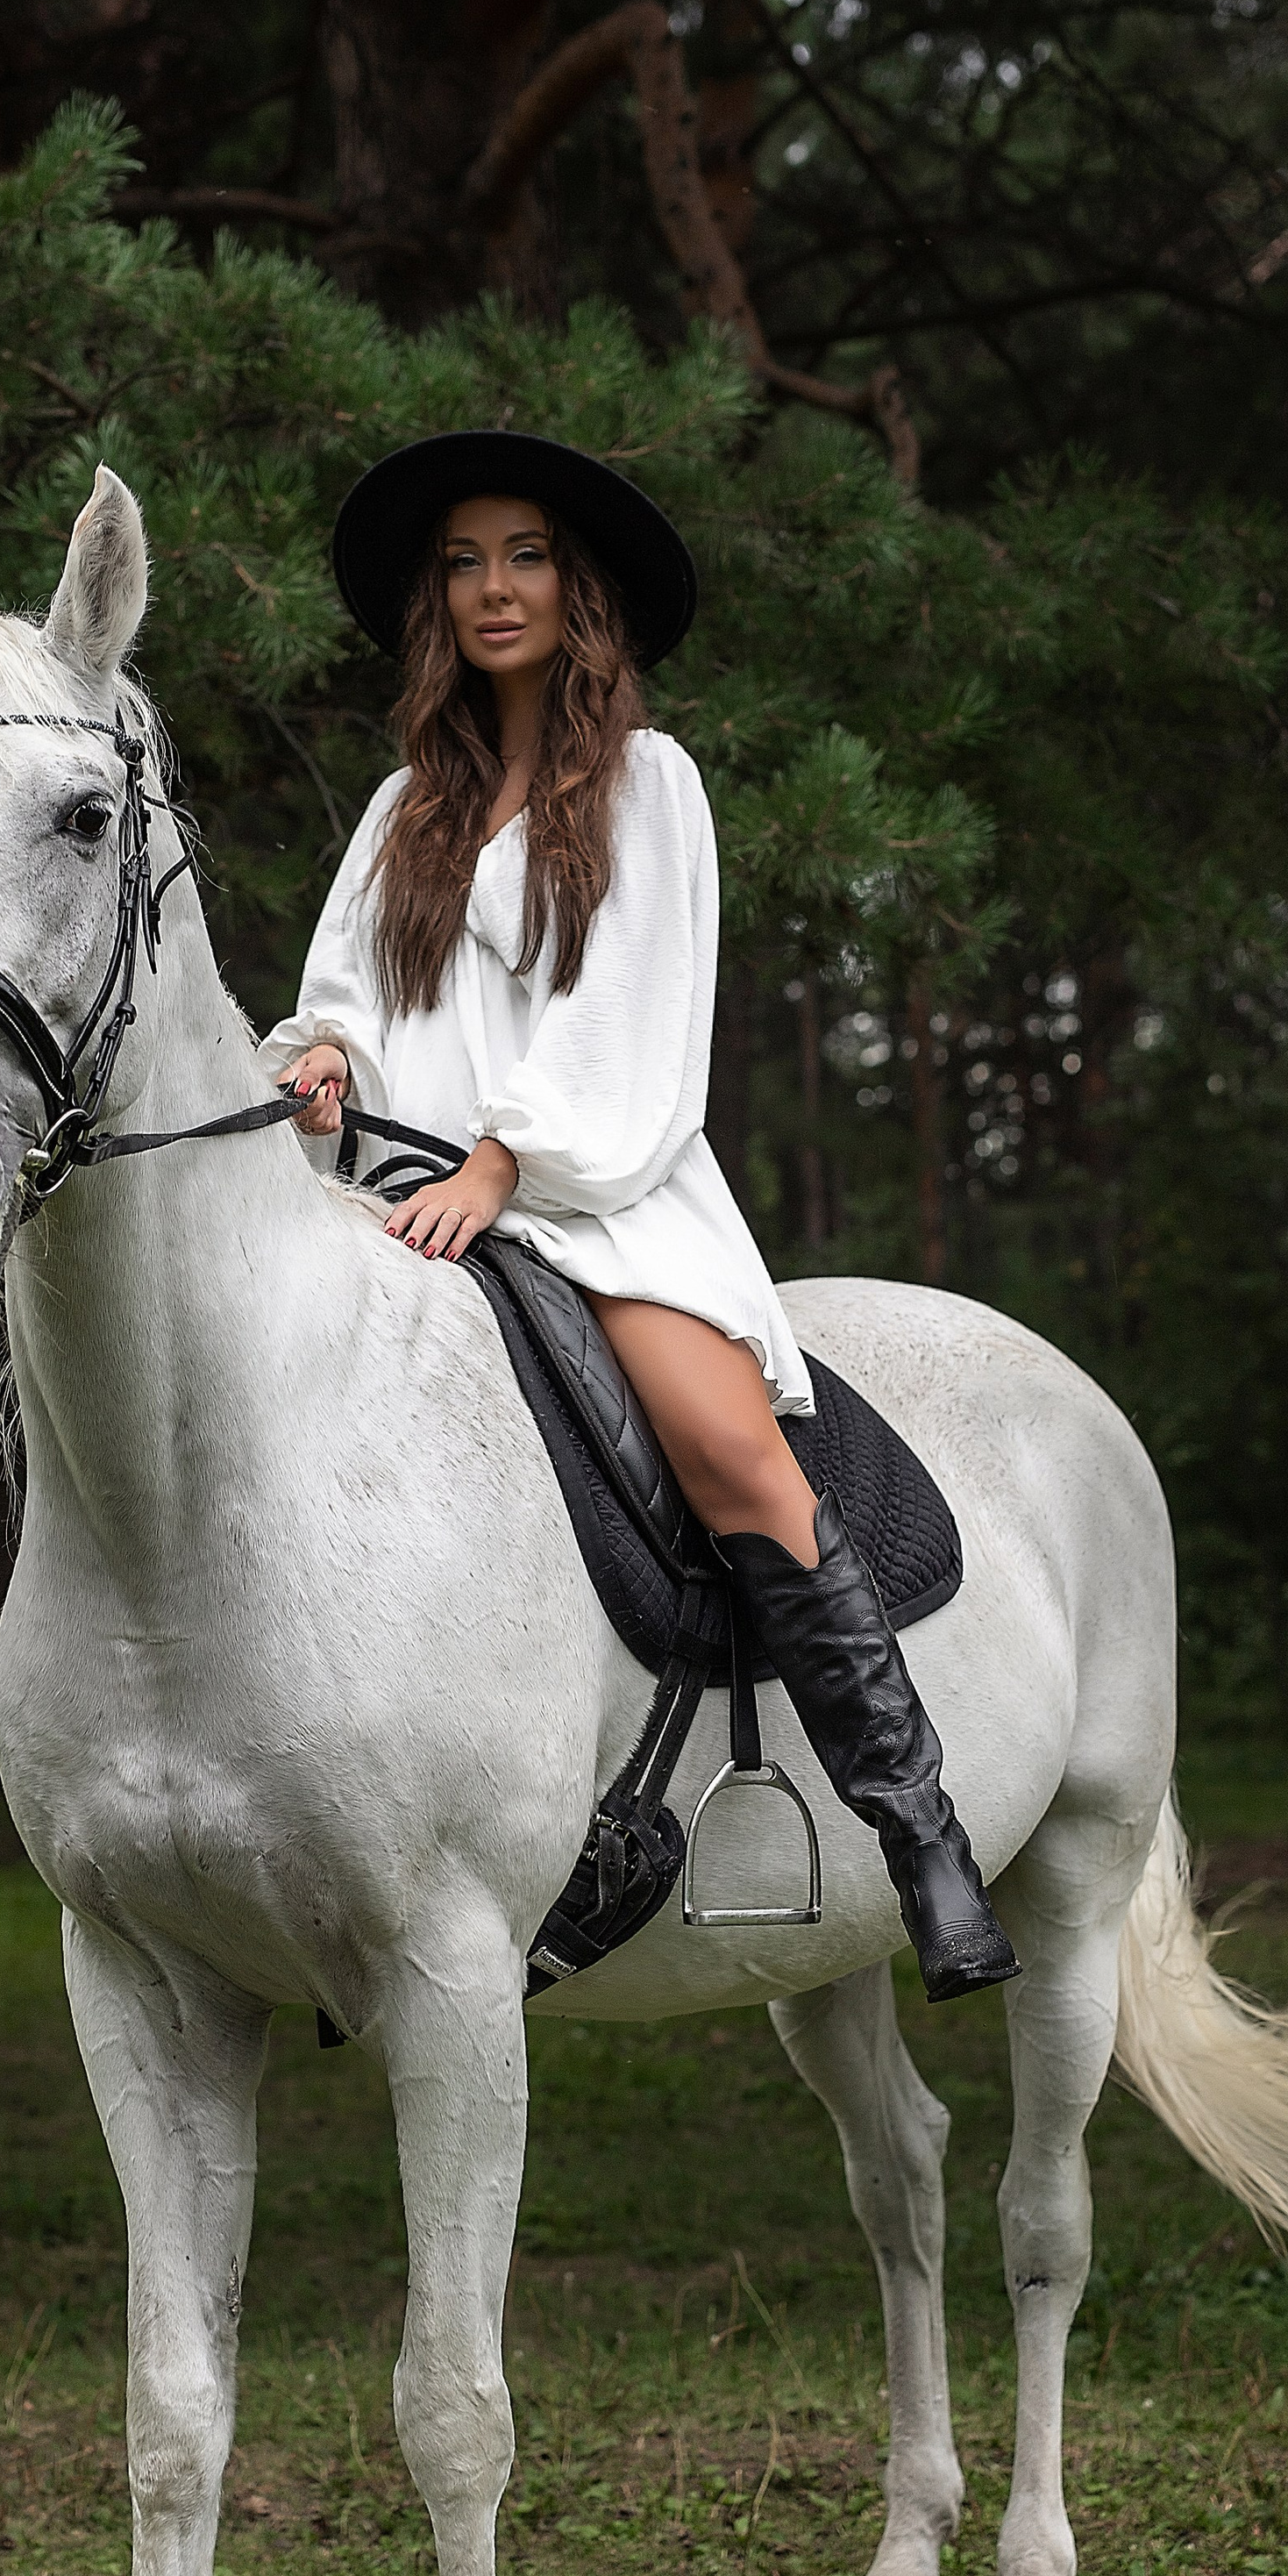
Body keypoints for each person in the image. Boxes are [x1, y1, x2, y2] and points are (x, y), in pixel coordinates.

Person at [259, 431, 1018, 1998]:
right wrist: (323, 1060)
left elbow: (632, 1008)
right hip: (405, 1206)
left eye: (524, 555)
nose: (492, 588)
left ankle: (918, 1828)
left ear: (577, 586)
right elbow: (337, 988)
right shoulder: (407, 805)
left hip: (593, 1197)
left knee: (728, 1444)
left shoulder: (647, 784)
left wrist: (504, 1164)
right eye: (463, 563)